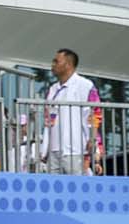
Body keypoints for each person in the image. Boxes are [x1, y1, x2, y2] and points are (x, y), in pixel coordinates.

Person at [36, 46, 101, 175]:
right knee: (53, 191)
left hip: (76, 149)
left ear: (68, 65)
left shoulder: (85, 85)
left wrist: (93, 140)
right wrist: (45, 149)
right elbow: (49, 120)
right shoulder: (52, 89)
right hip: (53, 152)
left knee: (78, 189)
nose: (52, 65)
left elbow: (95, 114)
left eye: (56, 61)